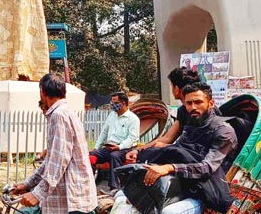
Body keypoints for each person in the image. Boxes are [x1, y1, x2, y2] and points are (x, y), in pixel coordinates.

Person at [117, 82, 237, 214]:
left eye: (198, 102)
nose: (193, 107)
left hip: (205, 190)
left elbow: (206, 168)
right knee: (121, 197)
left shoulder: (224, 131)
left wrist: (169, 168)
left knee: (169, 212)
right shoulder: (191, 125)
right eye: (189, 103)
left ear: (211, 103)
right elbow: (175, 149)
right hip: (178, 183)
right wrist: (138, 152)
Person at [12, 74, 97, 214]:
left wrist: (37, 193)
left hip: (71, 201)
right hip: (71, 199)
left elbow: (58, 161)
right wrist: (28, 184)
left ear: (42, 93)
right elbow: (51, 160)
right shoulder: (66, 112)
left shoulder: (59, 115)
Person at [125, 67, 203, 163]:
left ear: (176, 89)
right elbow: (167, 138)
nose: (194, 107)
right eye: (190, 103)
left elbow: (201, 146)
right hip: (181, 152)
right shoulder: (183, 110)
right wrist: (137, 150)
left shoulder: (205, 112)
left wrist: (169, 146)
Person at [89, 92, 140, 191]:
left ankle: (114, 187)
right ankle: (89, 184)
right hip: (109, 147)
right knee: (90, 156)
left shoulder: (133, 119)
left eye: (116, 103)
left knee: (115, 156)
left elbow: (132, 138)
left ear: (124, 103)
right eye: (112, 103)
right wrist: (96, 147)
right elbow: (104, 132)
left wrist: (119, 147)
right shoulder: (112, 115)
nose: (113, 105)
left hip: (125, 148)